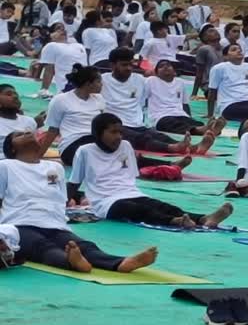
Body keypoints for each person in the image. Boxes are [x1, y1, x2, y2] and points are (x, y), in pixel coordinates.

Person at [0, 131, 158, 274]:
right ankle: (70, 262)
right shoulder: (5, 166)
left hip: (54, 224)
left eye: (28, 132)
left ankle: (121, 263)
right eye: (19, 135)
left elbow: (60, 199)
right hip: (19, 224)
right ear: (12, 149)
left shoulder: (55, 167)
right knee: (41, 247)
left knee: (84, 246)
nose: (27, 132)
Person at [68, 113, 233, 228]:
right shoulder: (84, 151)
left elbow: (132, 176)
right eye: (113, 132)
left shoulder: (125, 146)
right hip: (104, 202)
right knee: (136, 210)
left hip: (130, 192)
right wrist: (62, 203)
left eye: (120, 132)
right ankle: (175, 221)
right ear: (98, 133)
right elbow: (74, 183)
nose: (118, 136)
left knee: (160, 205)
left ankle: (203, 218)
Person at [101, 48, 203, 155]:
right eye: (124, 65)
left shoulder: (140, 80)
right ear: (112, 66)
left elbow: (150, 95)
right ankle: (171, 148)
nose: (129, 68)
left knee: (157, 135)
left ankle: (188, 146)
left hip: (137, 124)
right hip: (117, 126)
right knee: (141, 139)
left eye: (131, 64)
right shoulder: (102, 81)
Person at [39, 65, 105, 165]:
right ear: (88, 84)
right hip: (72, 144)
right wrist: (38, 156)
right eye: (99, 82)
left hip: (94, 140)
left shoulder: (99, 99)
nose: (102, 85)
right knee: (97, 151)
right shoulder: (60, 100)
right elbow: (53, 130)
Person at [146, 60, 221, 147]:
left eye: (168, 65)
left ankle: (208, 129)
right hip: (161, 116)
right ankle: (199, 130)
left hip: (179, 113)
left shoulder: (180, 82)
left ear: (174, 71)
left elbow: (185, 104)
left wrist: (189, 117)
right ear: (156, 73)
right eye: (161, 66)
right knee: (169, 123)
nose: (165, 67)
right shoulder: (151, 81)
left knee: (192, 122)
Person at [38, 22, 87, 97]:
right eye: (58, 29)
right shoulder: (51, 46)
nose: (62, 30)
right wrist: (44, 90)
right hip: (66, 86)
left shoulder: (79, 46)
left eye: (63, 29)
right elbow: (49, 70)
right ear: (51, 36)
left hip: (84, 84)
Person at [0, 85, 40, 157]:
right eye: (9, 94)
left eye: (16, 95)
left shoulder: (29, 121)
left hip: (24, 161)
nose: (15, 97)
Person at [191, 25, 223, 98]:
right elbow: (199, 73)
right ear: (205, 38)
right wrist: (194, 93)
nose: (215, 32)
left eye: (215, 30)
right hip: (210, 86)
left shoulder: (224, 48)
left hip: (224, 84)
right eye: (210, 31)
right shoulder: (204, 49)